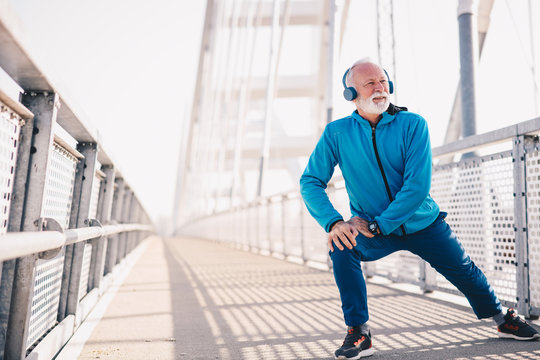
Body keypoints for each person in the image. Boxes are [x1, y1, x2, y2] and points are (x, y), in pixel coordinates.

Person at [299, 59, 539, 360]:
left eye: (382, 81)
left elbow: (416, 187)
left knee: (464, 270)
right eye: (369, 83)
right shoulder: (337, 133)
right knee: (342, 245)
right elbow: (310, 181)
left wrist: (377, 226)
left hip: (420, 223)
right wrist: (334, 222)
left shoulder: (413, 125)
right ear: (351, 95)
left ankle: (502, 319)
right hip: (371, 228)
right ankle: (359, 332)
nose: (379, 87)